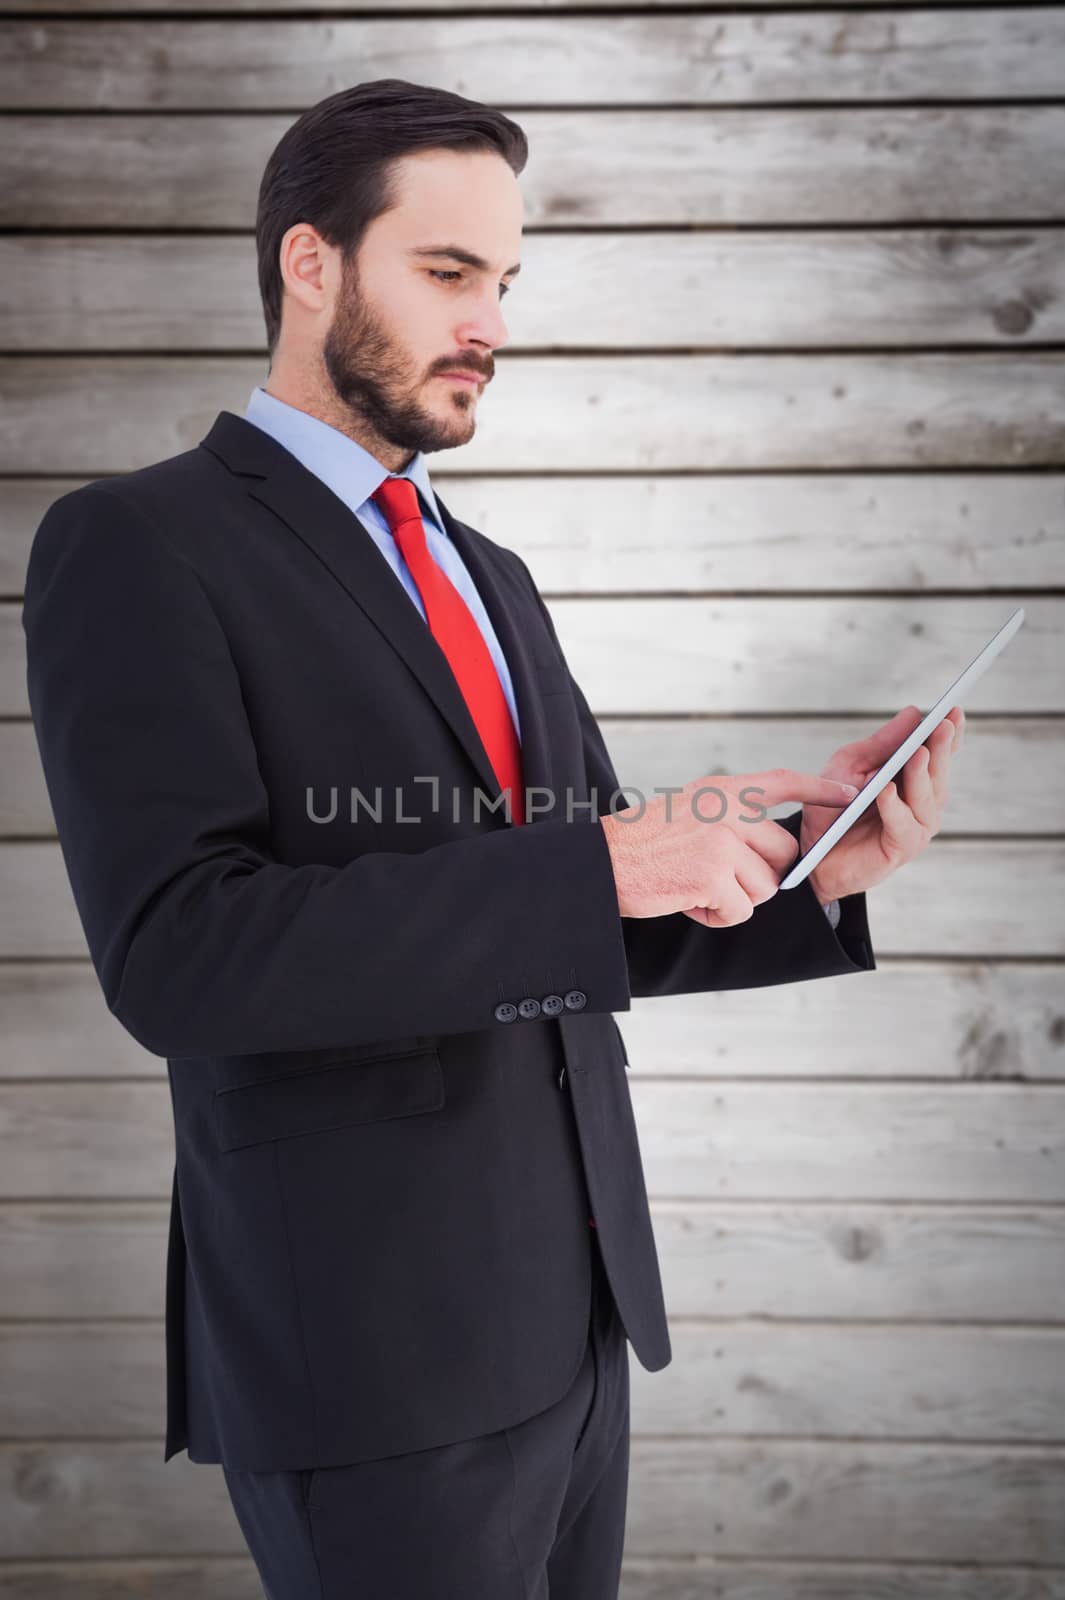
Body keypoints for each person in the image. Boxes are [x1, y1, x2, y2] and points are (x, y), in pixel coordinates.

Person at [22, 77, 963, 1600]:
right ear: (308, 263)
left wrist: (799, 871)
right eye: (448, 273)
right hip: (368, 1352)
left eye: (506, 282)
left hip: (575, 1316)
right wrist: (601, 861)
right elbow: (180, 956)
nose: (491, 323)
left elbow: (563, 905)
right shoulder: (137, 544)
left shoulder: (491, 571)